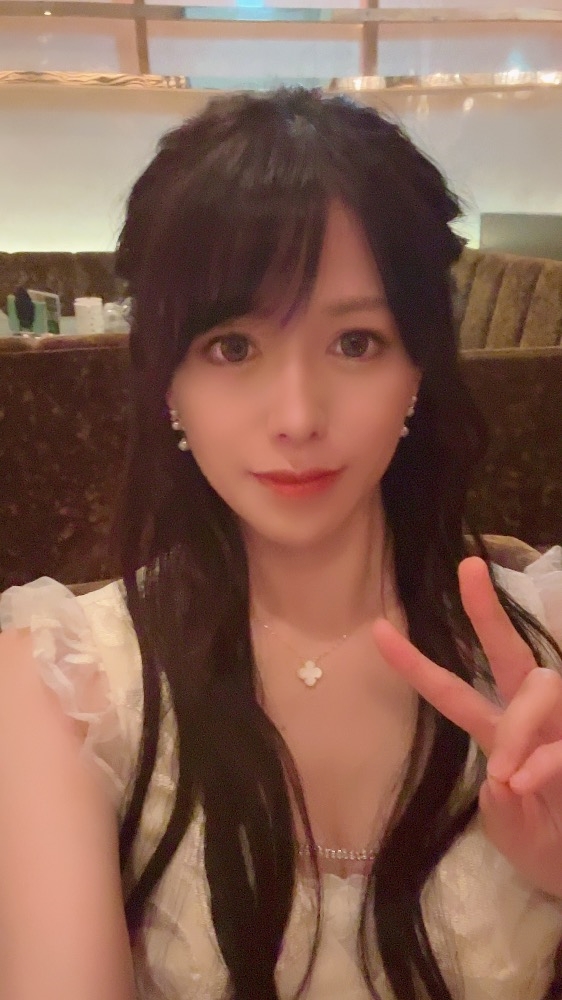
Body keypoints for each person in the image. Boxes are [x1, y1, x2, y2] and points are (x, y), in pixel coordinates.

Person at [0, 87, 561, 1000]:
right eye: (232, 347)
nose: (298, 417)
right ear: (167, 382)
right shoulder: (68, 689)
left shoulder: (544, 654)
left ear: (419, 367)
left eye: (355, 342)